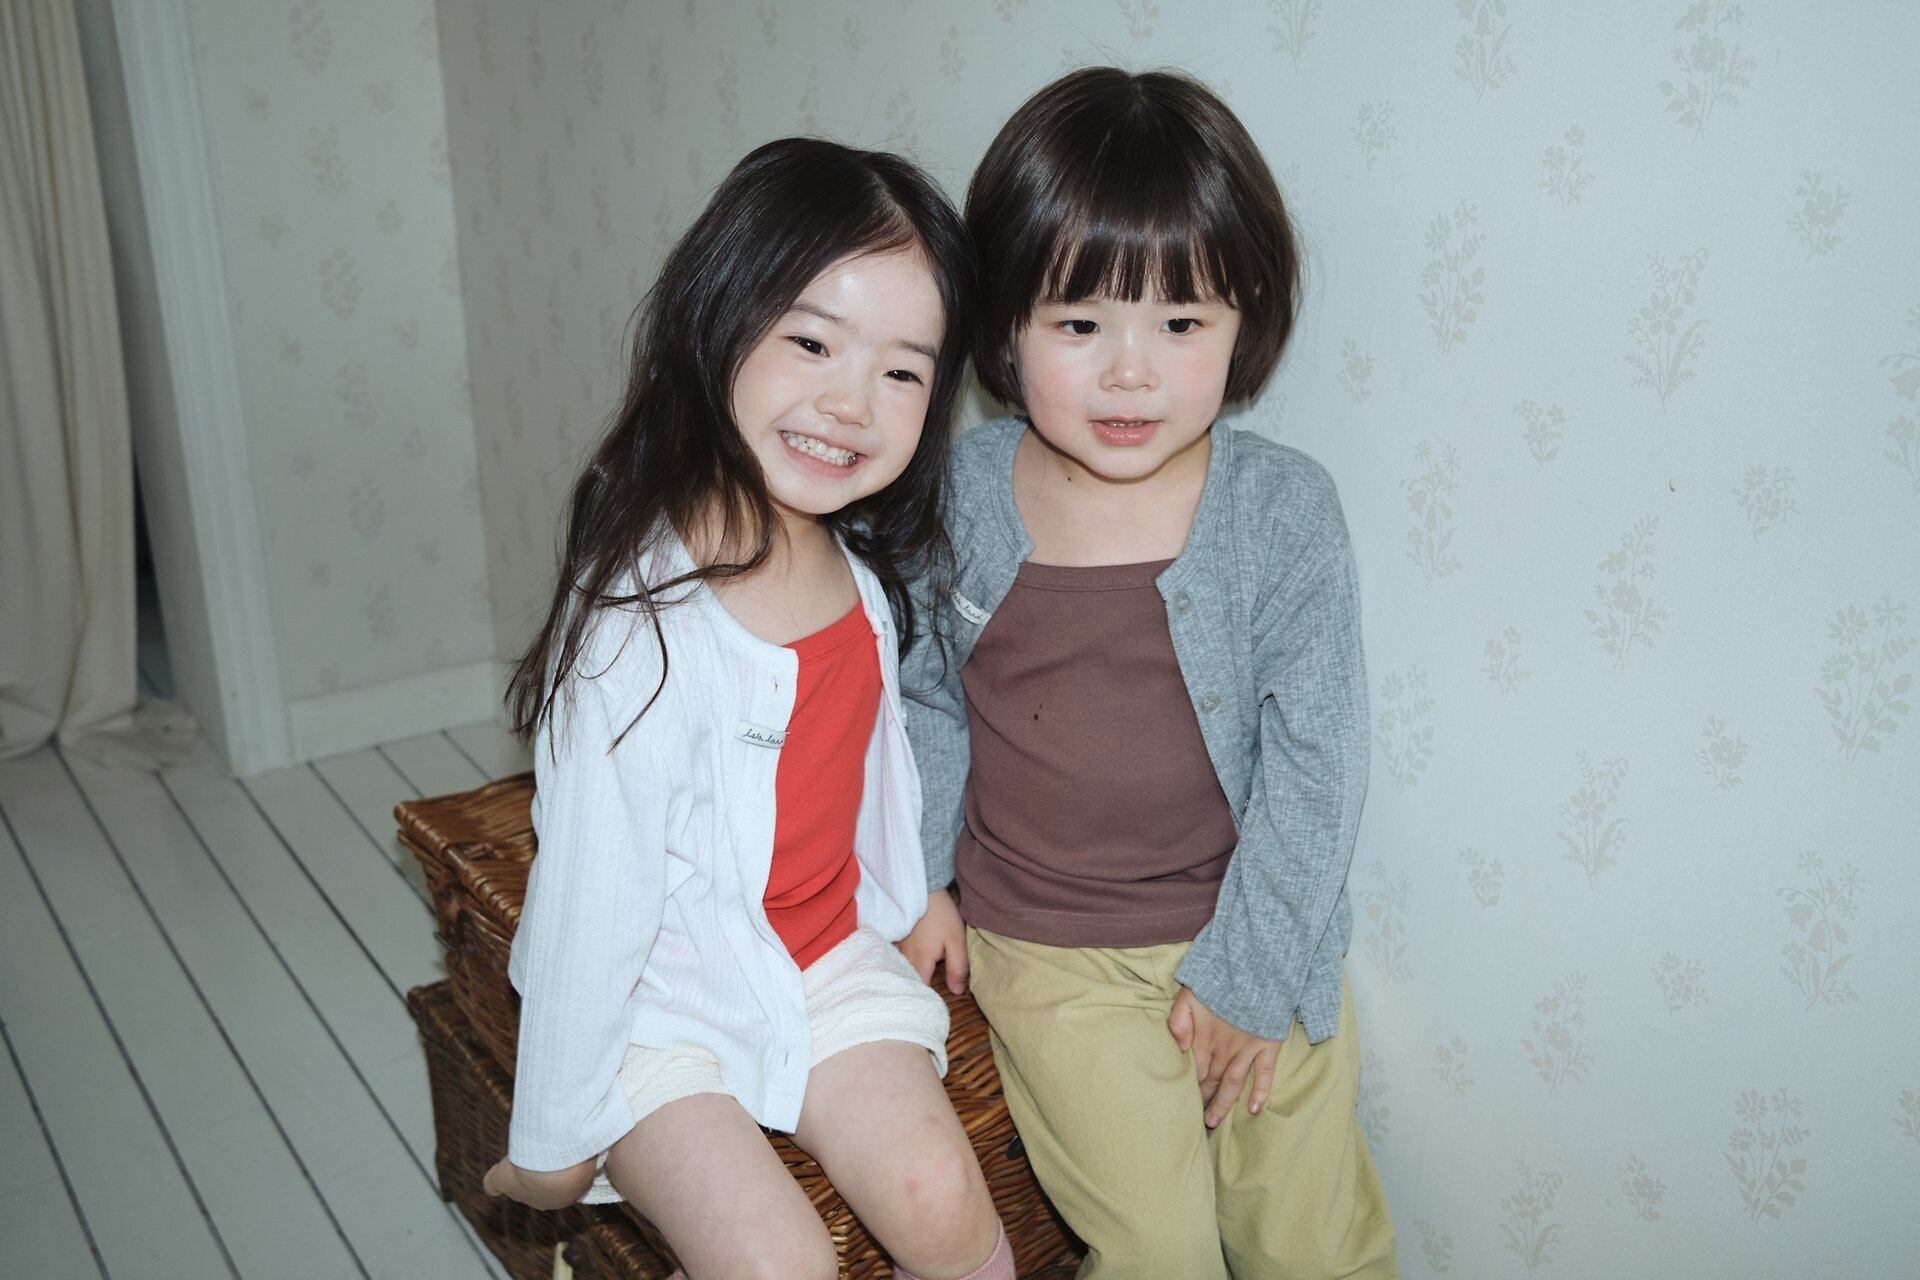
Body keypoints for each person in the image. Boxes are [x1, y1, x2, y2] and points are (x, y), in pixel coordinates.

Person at [483, 137, 1015, 1280]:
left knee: (938, 1192)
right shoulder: (640, 618)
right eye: (811, 342)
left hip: (822, 962)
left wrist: (913, 886)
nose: (849, 402)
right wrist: (552, 1138)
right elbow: (591, 901)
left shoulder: (855, 574)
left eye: (902, 372)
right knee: (777, 1261)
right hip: (652, 1008)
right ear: (718, 319)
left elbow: (867, 766)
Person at [899, 69, 1398, 1279]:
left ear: (1246, 321)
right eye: (1080, 326)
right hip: (1052, 949)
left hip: (1254, 924)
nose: (1131, 374)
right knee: (1159, 1246)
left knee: (1314, 1245)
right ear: (1004, 326)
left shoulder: (1283, 512)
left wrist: (1249, 976)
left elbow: (1319, 764)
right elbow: (923, 696)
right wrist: (919, 880)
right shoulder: (963, 495)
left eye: (1181, 324)